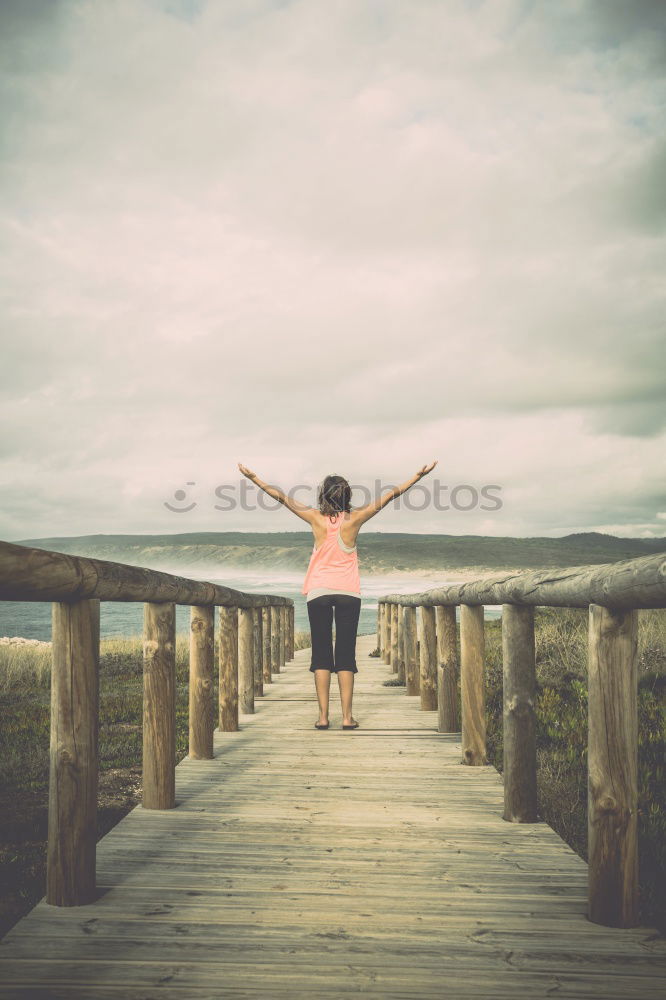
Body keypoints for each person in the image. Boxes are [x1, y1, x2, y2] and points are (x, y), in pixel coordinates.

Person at [237, 462, 438, 731]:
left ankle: (322, 717)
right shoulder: (355, 519)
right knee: (345, 655)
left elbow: (282, 498)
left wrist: (255, 478)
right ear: (347, 496)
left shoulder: (314, 517)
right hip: (348, 593)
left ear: (323, 496)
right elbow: (390, 496)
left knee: (321, 653)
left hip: (319, 592)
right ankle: (346, 717)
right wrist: (417, 476)